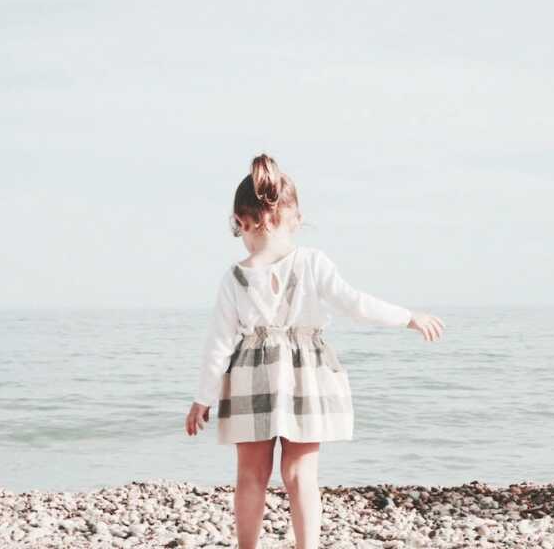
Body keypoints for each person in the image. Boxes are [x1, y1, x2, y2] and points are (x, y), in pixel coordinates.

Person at [185, 153, 444, 549]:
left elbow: (218, 344)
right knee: (301, 474)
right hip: (307, 375)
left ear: (239, 221)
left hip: (250, 376)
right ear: (295, 217)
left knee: (251, 475)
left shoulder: (234, 278)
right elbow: (356, 304)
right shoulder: (312, 262)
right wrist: (408, 317)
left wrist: (202, 399)